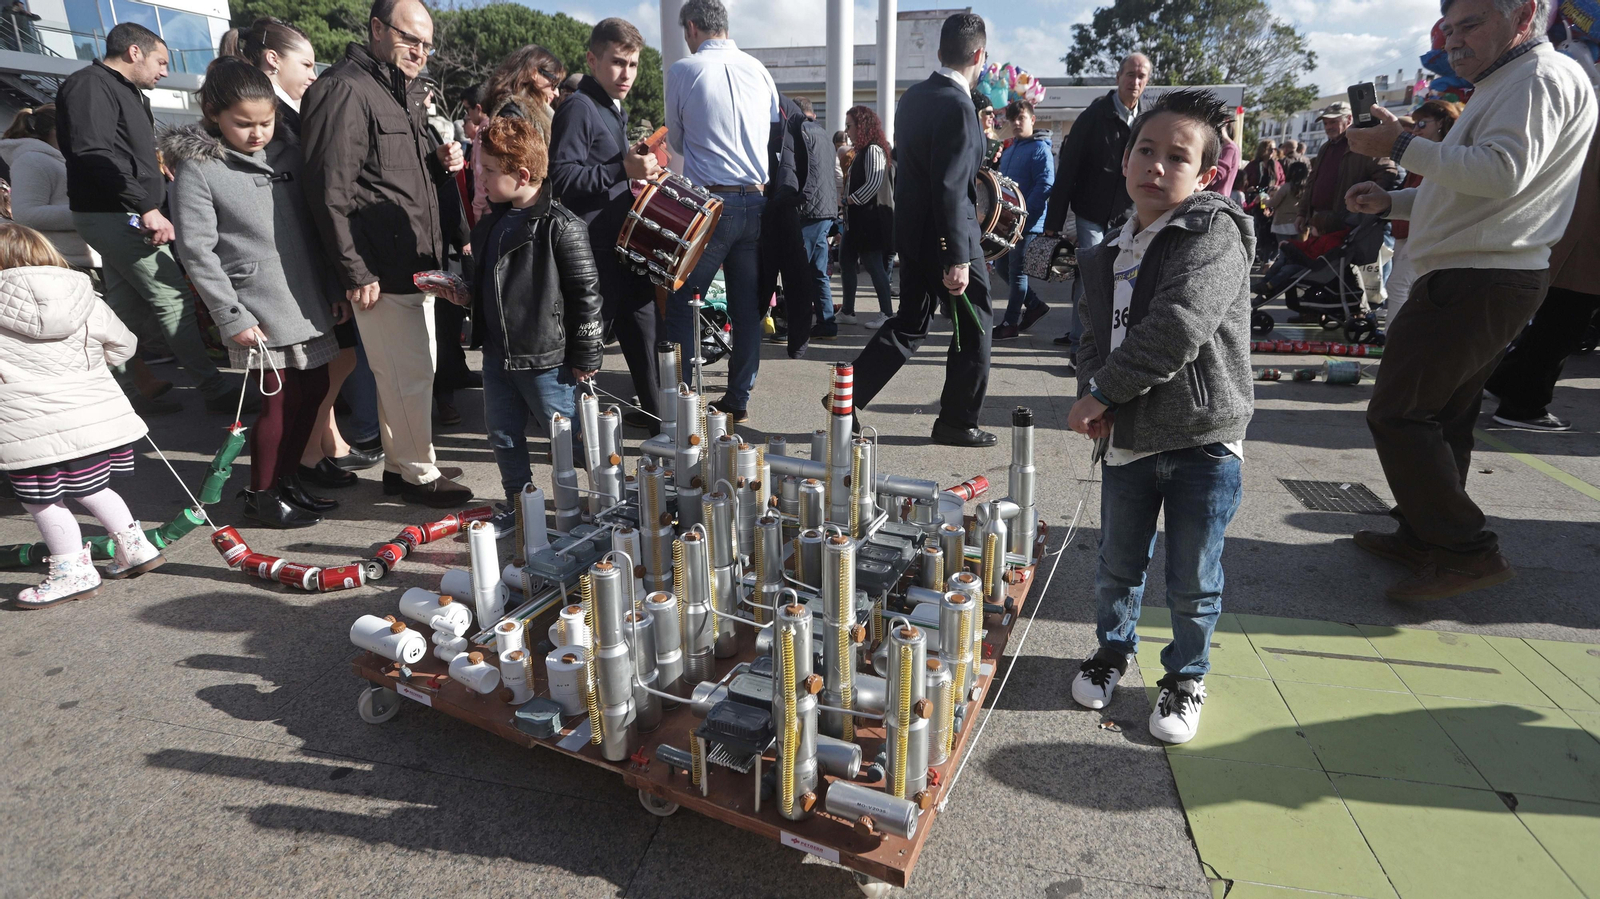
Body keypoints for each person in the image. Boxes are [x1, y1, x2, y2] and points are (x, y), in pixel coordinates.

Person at [1344, 0, 1597, 601]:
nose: (1455, 42)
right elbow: (1473, 188)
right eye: (1450, 29)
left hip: (1479, 276)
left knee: (1400, 413)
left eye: (1472, 24)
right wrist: (1393, 201)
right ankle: (1427, 535)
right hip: (1483, 273)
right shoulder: (1516, 80)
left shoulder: (1536, 78)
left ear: (1524, 14)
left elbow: (1501, 174)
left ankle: (1465, 551)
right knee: (1443, 415)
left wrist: (1401, 145)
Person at [1065, 89, 1253, 745]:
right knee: (1118, 564)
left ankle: (1185, 676)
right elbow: (1091, 337)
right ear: (1125, 160)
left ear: (1205, 175)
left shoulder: (1213, 232)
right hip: (1128, 439)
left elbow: (1179, 326)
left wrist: (1102, 394)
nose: (1157, 165)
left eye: (1178, 156)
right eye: (1146, 149)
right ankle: (1112, 651)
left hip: (1202, 438)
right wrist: (1095, 390)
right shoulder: (1105, 252)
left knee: (1194, 577)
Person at [300, 0, 473, 508]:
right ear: (377, 28)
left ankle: (403, 465)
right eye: (410, 38)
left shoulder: (396, 91)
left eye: (427, 44)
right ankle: (419, 474)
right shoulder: (345, 89)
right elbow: (328, 191)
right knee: (406, 375)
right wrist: (354, 269)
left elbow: (387, 177)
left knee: (409, 373)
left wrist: (437, 162)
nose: (420, 51)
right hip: (380, 269)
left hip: (410, 265)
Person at [164, 59, 349, 529]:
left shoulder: (289, 152)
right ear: (213, 114)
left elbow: (316, 226)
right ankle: (263, 495)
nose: (257, 133)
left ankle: (288, 481)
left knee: (314, 389)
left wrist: (332, 286)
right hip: (256, 305)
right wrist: (232, 315)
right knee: (279, 401)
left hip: (308, 295)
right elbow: (196, 251)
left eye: (265, 122)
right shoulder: (198, 168)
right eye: (243, 123)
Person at [219, 17, 381, 489]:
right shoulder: (266, 123)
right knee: (294, 386)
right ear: (273, 59)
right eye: (306, 63)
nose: (314, 73)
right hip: (275, 285)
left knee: (322, 372)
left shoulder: (287, 117)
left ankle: (317, 451)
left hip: (310, 273)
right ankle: (288, 472)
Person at [56, 22, 243, 418]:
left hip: (118, 212)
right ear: (134, 52)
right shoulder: (90, 84)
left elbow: (117, 152)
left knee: (124, 311)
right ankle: (213, 389)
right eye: (160, 62)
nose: (165, 71)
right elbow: (93, 154)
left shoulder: (122, 90)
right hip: (116, 213)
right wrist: (146, 206)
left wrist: (156, 174)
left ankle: (123, 393)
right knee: (172, 296)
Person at [848, 13, 995, 448]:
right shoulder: (959, 105)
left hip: (911, 234)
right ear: (979, 55)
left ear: (940, 51)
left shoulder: (912, 97)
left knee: (910, 323)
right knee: (976, 327)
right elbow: (950, 186)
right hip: (948, 237)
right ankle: (957, 422)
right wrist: (956, 256)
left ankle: (846, 396)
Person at [0, 223, 166, 607]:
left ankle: (72, 572)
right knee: (93, 487)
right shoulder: (85, 297)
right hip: (91, 418)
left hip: (27, 426)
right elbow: (124, 346)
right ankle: (135, 548)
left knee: (41, 502)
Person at [460, 117, 603, 522]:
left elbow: (587, 296)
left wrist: (587, 355)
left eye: (489, 170)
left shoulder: (562, 226)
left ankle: (604, 496)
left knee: (570, 437)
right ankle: (520, 504)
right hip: (498, 355)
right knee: (503, 434)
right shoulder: (491, 223)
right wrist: (464, 294)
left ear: (522, 175)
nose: (480, 177)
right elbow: (492, 285)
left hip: (546, 360)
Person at [663, 0, 781, 423]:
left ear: (692, 27)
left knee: (682, 301)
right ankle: (738, 398)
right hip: (756, 200)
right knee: (747, 308)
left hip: (712, 203)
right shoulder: (759, 69)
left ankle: (683, 402)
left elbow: (676, 141)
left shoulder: (684, 70)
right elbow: (773, 131)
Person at [548, 17, 665, 434]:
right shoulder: (578, 107)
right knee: (585, 352)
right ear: (592, 60)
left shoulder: (612, 107)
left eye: (633, 64)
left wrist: (637, 169)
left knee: (646, 337)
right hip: (593, 253)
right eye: (617, 62)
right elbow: (561, 178)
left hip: (622, 248)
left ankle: (662, 423)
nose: (626, 74)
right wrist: (622, 170)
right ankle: (572, 438)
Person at [1484, 120, 1600, 431]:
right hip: (1583, 246)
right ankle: (1523, 405)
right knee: (1561, 329)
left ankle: (1504, 382)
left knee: (1552, 324)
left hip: (1567, 237)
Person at [1043, 51, 1152, 361]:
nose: (1135, 81)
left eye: (1141, 76)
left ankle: (1111, 344)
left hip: (1129, 215)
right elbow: (1068, 169)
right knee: (1091, 274)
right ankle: (1080, 347)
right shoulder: (1093, 116)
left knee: (1125, 279)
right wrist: (1053, 221)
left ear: (1147, 82)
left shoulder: (1148, 121)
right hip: (1090, 213)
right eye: (1130, 74)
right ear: (1118, 78)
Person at [1293, 100, 1399, 323]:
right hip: (1320, 220)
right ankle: (1316, 308)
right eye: (1326, 122)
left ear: (1349, 120)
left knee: (1342, 267)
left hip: (1345, 220)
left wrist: (1365, 204)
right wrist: (1302, 213)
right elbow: (1312, 182)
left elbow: (1388, 173)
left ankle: (1357, 311)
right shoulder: (1326, 147)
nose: (1328, 126)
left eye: (1333, 121)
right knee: (1322, 266)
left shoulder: (1363, 143)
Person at [1384, 100, 1461, 319]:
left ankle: (1394, 339)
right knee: (1408, 288)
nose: (1415, 130)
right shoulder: (1422, 154)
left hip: (1425, 232)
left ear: (1441, 123)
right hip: (1406, 231)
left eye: (1422, 124)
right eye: (1414, 124)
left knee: (1398, 285)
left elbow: (1434, 198)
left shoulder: (1447, 155)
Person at [758, 93, 820, 358]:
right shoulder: (810, 128)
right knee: (799, 281)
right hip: (792, 206)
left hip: (772, 204)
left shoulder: (779, 114)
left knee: (761, 283)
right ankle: (797, 343)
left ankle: (746, 348)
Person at [472, 45, 565, 220]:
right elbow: (507, 170)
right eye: (554, 82)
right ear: (534, 73)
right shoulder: (513, 110)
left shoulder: (532, 110)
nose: (556, 92)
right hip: (520, 213)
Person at [994, 98, 1055, 340]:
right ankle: (1035, 305)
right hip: (1007, 224)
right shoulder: (1010, 149)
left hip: (1027, 224)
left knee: (1018, 272)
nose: (1017, 123)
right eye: (1013, 119)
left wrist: (1024, 217)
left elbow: (1045, 185)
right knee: (1002, 267)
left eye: (1021, 118)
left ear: (1032, 119)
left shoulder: (1040, 148)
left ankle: (1010, 324)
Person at [837, 105, 894, 329]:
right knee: (846, 261)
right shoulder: (863, 151)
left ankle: (887, 313)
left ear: (861, 126)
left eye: (849, 126)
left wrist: (849, 200)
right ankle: (848, 311)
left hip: (869, 221)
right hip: (856, 221)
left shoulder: (873, 150)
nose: (847, 131)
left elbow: (873, 184)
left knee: (873, 264)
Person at [793, 97, 839, 339]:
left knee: (799, 274)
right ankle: (826, 323)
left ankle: (797, 328)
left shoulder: (799, 132)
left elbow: (798, 172)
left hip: (808, 211)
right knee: (818, 273)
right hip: (825, 211)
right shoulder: (823, 134)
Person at [1240, 139, 1281, 262]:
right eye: (1270, 148)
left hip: (1271, 201)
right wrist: (1248, 188)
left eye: (1274, 149)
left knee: (1269, 229)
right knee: (1258, 228)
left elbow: (1282, 180)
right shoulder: (1253, 165)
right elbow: (1243, 180)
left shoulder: (1276, 165)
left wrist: (1277, 188)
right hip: (1256, 201)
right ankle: (1256, 254)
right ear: (1263, 150)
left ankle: (1266, 256)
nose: (1273, 151)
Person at [1262, 159, 1310, 261]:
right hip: (1298, 223)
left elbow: (1273, 203)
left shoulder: (1286, 187)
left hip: (1282, 224)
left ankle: (1281, 267)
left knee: (1283, 251)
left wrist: (1265, 201)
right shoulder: (1307, 189)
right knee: (1296, 251)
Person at [1207, 128, 1240, 197]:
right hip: (1215, 197)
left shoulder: (1229, 149)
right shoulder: (1231, 148)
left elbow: (1213, 177)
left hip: (1214, 198)